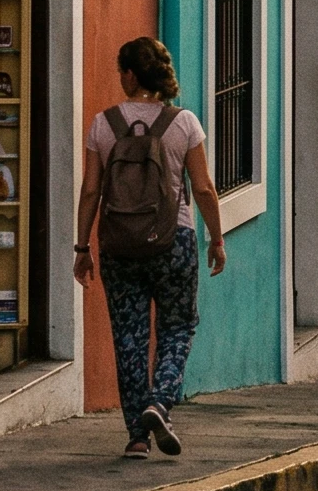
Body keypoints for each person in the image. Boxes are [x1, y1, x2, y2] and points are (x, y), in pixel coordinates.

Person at [74, 37, 225, 460]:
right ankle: (160, 402)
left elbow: (91, 191)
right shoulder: (184, 123)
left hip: (119, 244)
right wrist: (216, 238)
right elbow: (204, 188)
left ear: (131, 74)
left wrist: (82, 245)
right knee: (178, 327)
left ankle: (137, 437)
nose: (119, 77)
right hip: (173, 241)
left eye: (121, 69)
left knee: (129, 337)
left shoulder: (103, 124)